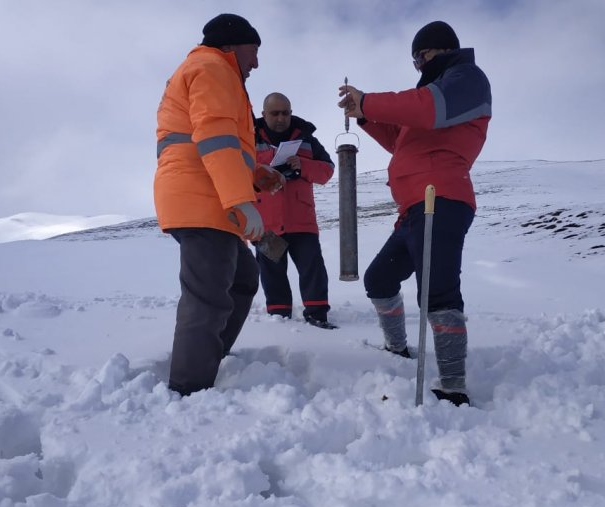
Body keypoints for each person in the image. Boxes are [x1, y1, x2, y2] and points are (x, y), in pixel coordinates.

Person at [338, 21, 491, 406]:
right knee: (379, 279)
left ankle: (453, 385)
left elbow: (427, 109)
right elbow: (402, 140)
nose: (418, 65)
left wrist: (369, 99)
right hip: (413, 209)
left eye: (420, 56)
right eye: (415, 59)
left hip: (441, 199)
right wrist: (365, 117)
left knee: (438, 291)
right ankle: (397, 349)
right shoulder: (432, 99)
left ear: (441, 50)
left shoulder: (466, 80)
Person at [154, 13, 285, 396]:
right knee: (209, 293)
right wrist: (242, 201)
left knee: (242, 279)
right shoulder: (212, 68)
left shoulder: (214, 72)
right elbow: (214, 139)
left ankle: (208, 357)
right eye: (254, 51)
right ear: (231, 46)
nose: (256, 63)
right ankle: (189, 388)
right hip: (202, 198)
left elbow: (218, 144)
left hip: (205, 194)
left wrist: (256, 174)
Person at [254, 92, 337, 329]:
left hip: (302, 222)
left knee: (313, 269)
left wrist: (303, 166)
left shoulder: (307, 140)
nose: (281, 118)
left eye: (285, 113)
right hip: (266, 224)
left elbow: (327, 171)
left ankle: (317, 315)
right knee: (272, 274)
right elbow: (236, 174)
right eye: (275, 113)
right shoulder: (247, 139)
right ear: (264, 114)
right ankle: (279, 321)